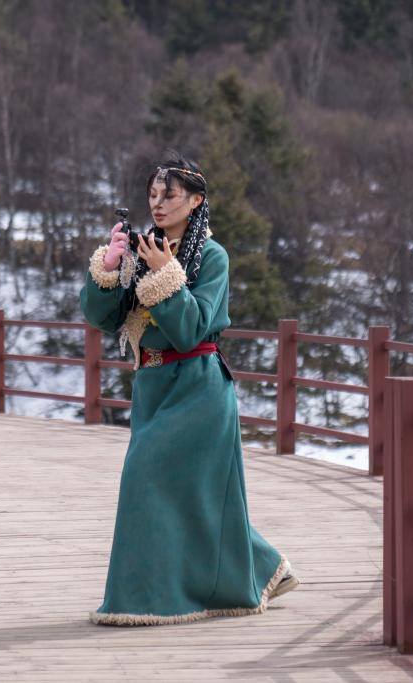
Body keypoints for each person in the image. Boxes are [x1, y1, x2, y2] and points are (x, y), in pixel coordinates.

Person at [80, 152, 298, 626]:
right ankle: (263, 567)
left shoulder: (212, 257)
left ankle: (143, 600)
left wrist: (164, 276)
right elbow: (103, 319)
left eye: (169, 195)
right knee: (192, 496)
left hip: (198, 385)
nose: (158, 203)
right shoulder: (143, 250)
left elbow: (191, 329)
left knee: (144, 478)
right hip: (152, 385)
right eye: (152, 194)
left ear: (196, 200)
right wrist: (110, 270)